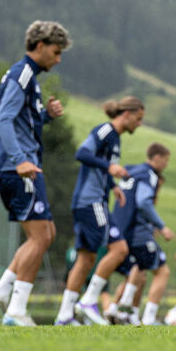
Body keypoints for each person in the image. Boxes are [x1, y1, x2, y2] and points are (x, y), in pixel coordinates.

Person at [0, 21, 70, 326]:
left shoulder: (28, 76)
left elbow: (20, 121)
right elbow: (3, 119)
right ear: (41, 45)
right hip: (19, 168)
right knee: (39, 236)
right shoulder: (22, 73)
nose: (58, 60)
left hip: (24, 166)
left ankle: (0, 293)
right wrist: (19, 159)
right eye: (56, 52)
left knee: (46, 234)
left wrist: (46, 116)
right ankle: (16, 311)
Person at [53, 97, 144, 325]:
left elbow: (98, 169)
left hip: (95, 201)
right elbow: (82, 153)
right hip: (91, 201)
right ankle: (88, 301)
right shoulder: (105, 130)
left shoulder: (116, 139)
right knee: (118, 249)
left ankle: (64, 315)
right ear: (127, 114)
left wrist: (113, 186)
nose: (139, 124)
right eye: (139, 119)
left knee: (86, 258)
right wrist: (109, 167)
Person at [102, 143, 176, 325]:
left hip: (120, 228)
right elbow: (143, 202)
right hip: (137, 231)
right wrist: (161, 225)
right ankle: (145, 316)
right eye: (165, 160)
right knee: (162, 271)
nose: (166, 165)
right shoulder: (148, 175)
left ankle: (122, 310)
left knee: (138, 271)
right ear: (157, 158)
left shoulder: (131, 171)